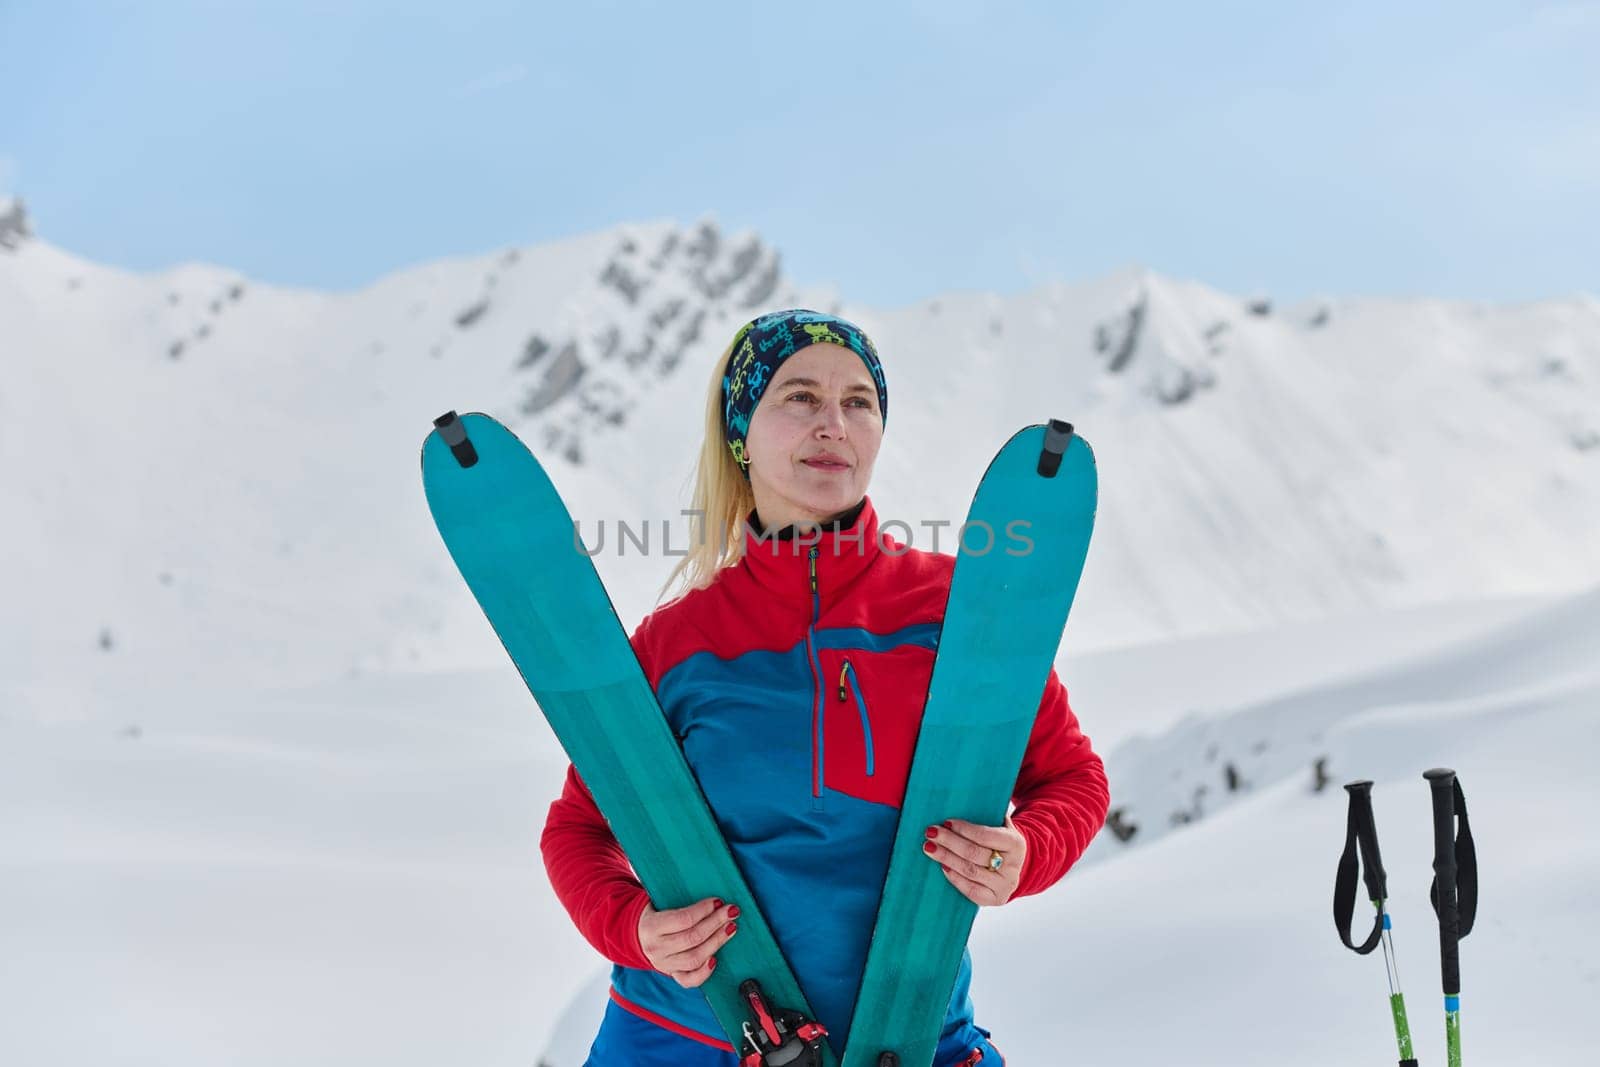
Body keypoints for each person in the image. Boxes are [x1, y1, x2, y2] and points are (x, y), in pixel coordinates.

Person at [541, 308, 1109, 1066]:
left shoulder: (959, 615)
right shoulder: (676, 644)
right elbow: (578, 830)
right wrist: (633, 925)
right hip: (679, 1040)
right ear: (741, 434)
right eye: (800, 397)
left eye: (858, 402)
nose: (833, 424)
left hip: (904, 1040)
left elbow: (1073, 778)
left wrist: (1026, 851)